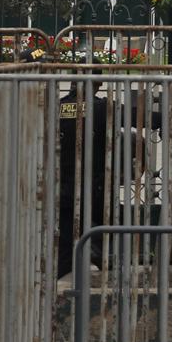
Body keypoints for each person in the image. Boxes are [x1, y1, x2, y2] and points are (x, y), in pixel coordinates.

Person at [56, 80, 112, 282]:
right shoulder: (102, 108)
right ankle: (95, 249)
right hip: (94, 186)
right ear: (99, 84)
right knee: (105, 224)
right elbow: (147, 118)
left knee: (64, 239)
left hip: (61, 184)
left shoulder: (57, 106)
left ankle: (59, 287)